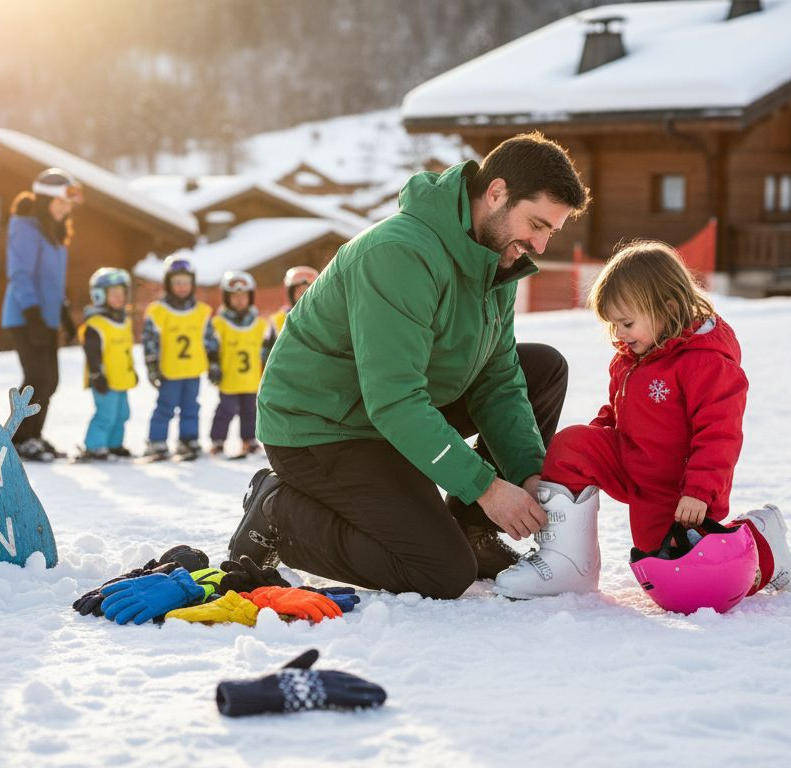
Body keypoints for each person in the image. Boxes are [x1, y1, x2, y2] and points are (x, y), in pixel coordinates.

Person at [226, 132, 590, 599]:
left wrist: (526, 473)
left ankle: (473, 533)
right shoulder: (399, 253)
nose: (539, 244)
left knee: (541, 367)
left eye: (550, 232)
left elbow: (497, 381)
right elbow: (395, 400)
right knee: (439, 571)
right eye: (536, 224)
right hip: (322, 427)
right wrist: (486, 486)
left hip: (392, 413)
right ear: (496, 193)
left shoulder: (497, 259)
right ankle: (278, 511)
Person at [494, 241, 791, 600]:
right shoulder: (634, 354)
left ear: (668, 307)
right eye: (613, 325)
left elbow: (720, 435)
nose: (619, 335)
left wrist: (699, 492)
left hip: (678, 492)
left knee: (680, 580)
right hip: (632, 462)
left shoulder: (706, 362)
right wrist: (596, 437)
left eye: (626, 323)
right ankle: (570, 565)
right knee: (572, 446)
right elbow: (618, 409)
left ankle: (763, 547)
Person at [0, 168, 82, 462]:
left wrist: (63, 312)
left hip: (45, 316)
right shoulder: (25, 228)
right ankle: (17, 439)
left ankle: (33, 435)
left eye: (69, 204)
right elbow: (20, 274)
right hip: (25, 316)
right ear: (46, 201)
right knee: (37, 377)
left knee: (50, 380)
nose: (66, 208)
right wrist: (33, 314)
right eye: (62, 202)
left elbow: (52, 280)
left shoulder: (55, 233)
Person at [142, 254, 211, 462]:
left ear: (193, 284)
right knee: (165, 407)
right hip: (169, 370)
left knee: (191, 407)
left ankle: (188, 440)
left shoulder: (202, 311)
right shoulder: (158, 311)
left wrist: (215, 362)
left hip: (193, 369)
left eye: (186, 283)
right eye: (177, 283)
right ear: (168, 284)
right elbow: (149, 342)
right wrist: (152, 366)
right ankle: (157, 442)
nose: (182, 287)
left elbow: (209, 340)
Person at [205, 270, 273, 459]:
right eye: (235, 296)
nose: (239, 300)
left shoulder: (260, 324)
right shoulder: (219, 323)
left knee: (250, 412)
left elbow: (267, 351)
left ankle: (249, 441)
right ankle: (218, 441)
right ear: (227, 298)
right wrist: (214, 367)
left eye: (243, 296)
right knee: (225, 411)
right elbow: (211, 348)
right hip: (229, 378)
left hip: (251, 379)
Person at [76, 268, 138, 462]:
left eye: (121, 294)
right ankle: (94, 446)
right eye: (113, 295)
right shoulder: (95, 323)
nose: (119, 299)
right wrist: (96, 375)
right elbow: (92, 354)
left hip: (121, 378)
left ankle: (113, 445)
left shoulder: (125, 321)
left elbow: (126, 351)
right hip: (104, 379)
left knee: (122, 414)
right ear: (99, 295)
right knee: (106, 414)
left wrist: (132, 371)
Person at [269, 265, 318, 336]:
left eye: (307, 292)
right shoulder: (278, 320)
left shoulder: (321, 315)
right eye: (297, 290)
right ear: (290, 293)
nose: (303, 297)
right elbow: (267, 346)